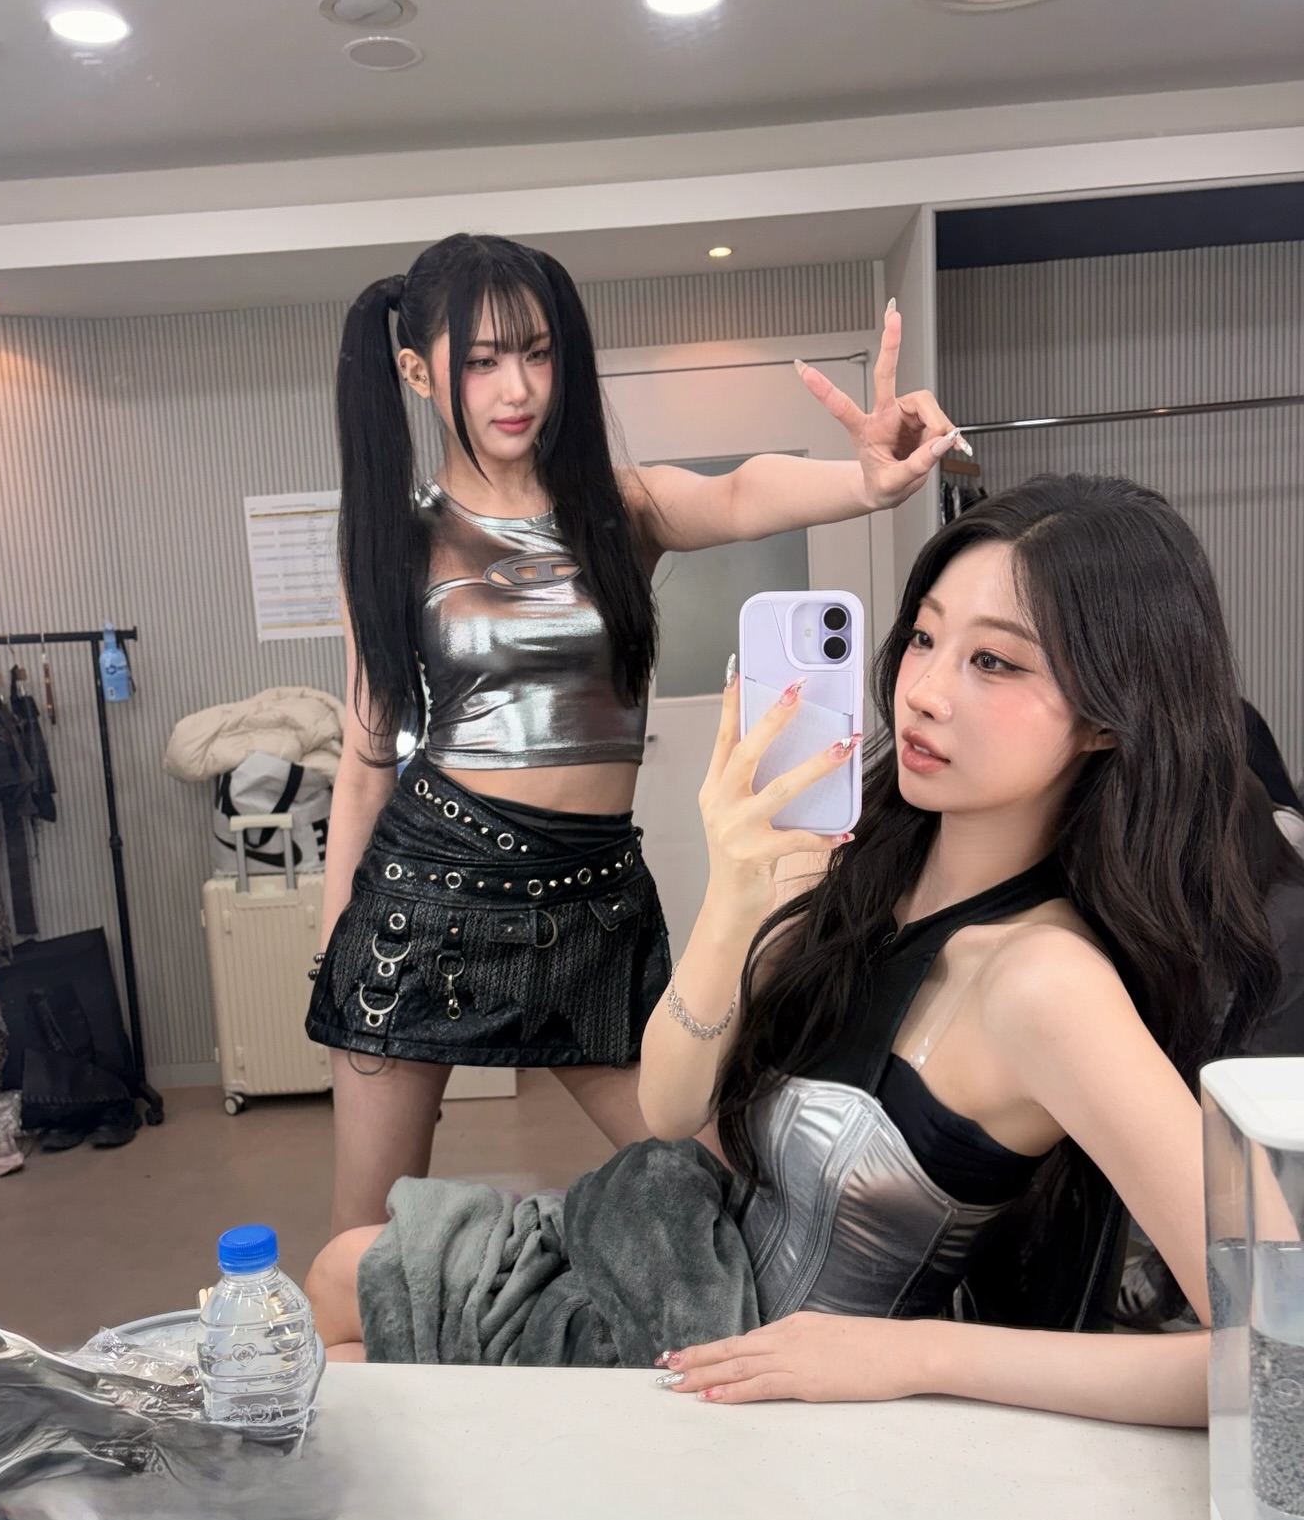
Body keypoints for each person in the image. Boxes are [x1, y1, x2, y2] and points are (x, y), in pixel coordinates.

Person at [307, 474, 1287, 1429]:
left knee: (343, 1346)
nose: (925, 692)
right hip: (678, 1263)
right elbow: (670, 1110)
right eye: (924, 638)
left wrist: (916, 1357)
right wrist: (737, 895)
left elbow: (1281, 1348)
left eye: (995, 662)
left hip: (754, 1385)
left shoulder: (1046, 984)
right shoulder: (862, 862)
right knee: (337, 1280)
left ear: (1111, 714)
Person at [306, 232, 960, 1234]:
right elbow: (363, 763)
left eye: (537, 352)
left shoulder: (618, 507)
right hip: (426, 899)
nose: (517, 387)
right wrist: (333, 956)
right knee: (366, 1240)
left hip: (594, 901)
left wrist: (866, 483)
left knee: (712, 1184)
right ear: (416, 370)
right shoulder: (393, 539)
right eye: (481, 360)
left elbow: (736, 493)